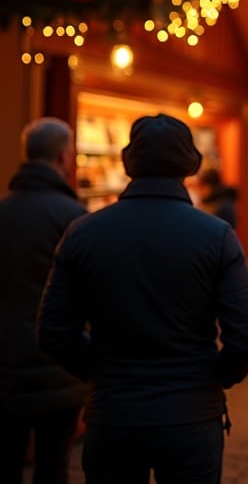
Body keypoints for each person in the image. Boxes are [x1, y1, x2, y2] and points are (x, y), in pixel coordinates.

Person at [37, 113, 248, 484]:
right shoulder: (215, 236)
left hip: (112, 412)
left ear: (130, 163)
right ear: (189, 166)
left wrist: (98, 369)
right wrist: (211, 378)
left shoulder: (84, 233)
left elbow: (52, 330)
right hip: (190, 414)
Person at [0, 118, 86, 484]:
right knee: (53, 463)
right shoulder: (73, 218)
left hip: (4, 360)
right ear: (64, 157)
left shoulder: (3, 212)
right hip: (58, 361)